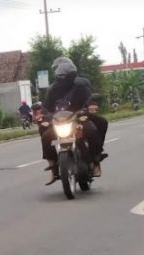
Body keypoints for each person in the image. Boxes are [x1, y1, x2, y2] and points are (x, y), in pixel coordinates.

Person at [39, 57, 106, 185]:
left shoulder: (81, 85)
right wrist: (45, 116)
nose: (62, 77)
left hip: (79, 119)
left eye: (64, 75)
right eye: (60, 74)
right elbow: (46, 107)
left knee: (94, 128)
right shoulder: (52, 89)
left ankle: (96, 161)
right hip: (60, 122)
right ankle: (52, 165)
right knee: (45, 133)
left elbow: (89, 100)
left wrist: (90, 106)